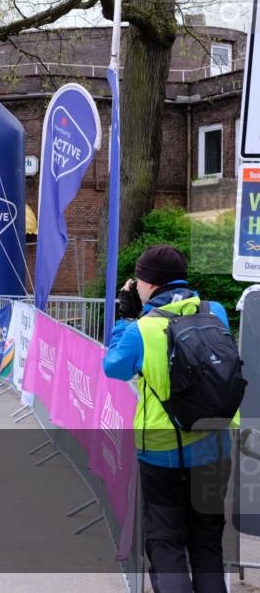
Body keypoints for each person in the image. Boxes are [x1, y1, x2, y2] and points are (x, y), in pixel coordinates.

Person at [103, 244, 235, 592]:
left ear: (148, 283)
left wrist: (125, 317)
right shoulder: (215, 312)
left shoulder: (142, 329)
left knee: (166, 542)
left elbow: (113, 367)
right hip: (214, 447)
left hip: (162, 451)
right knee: (207, 545)